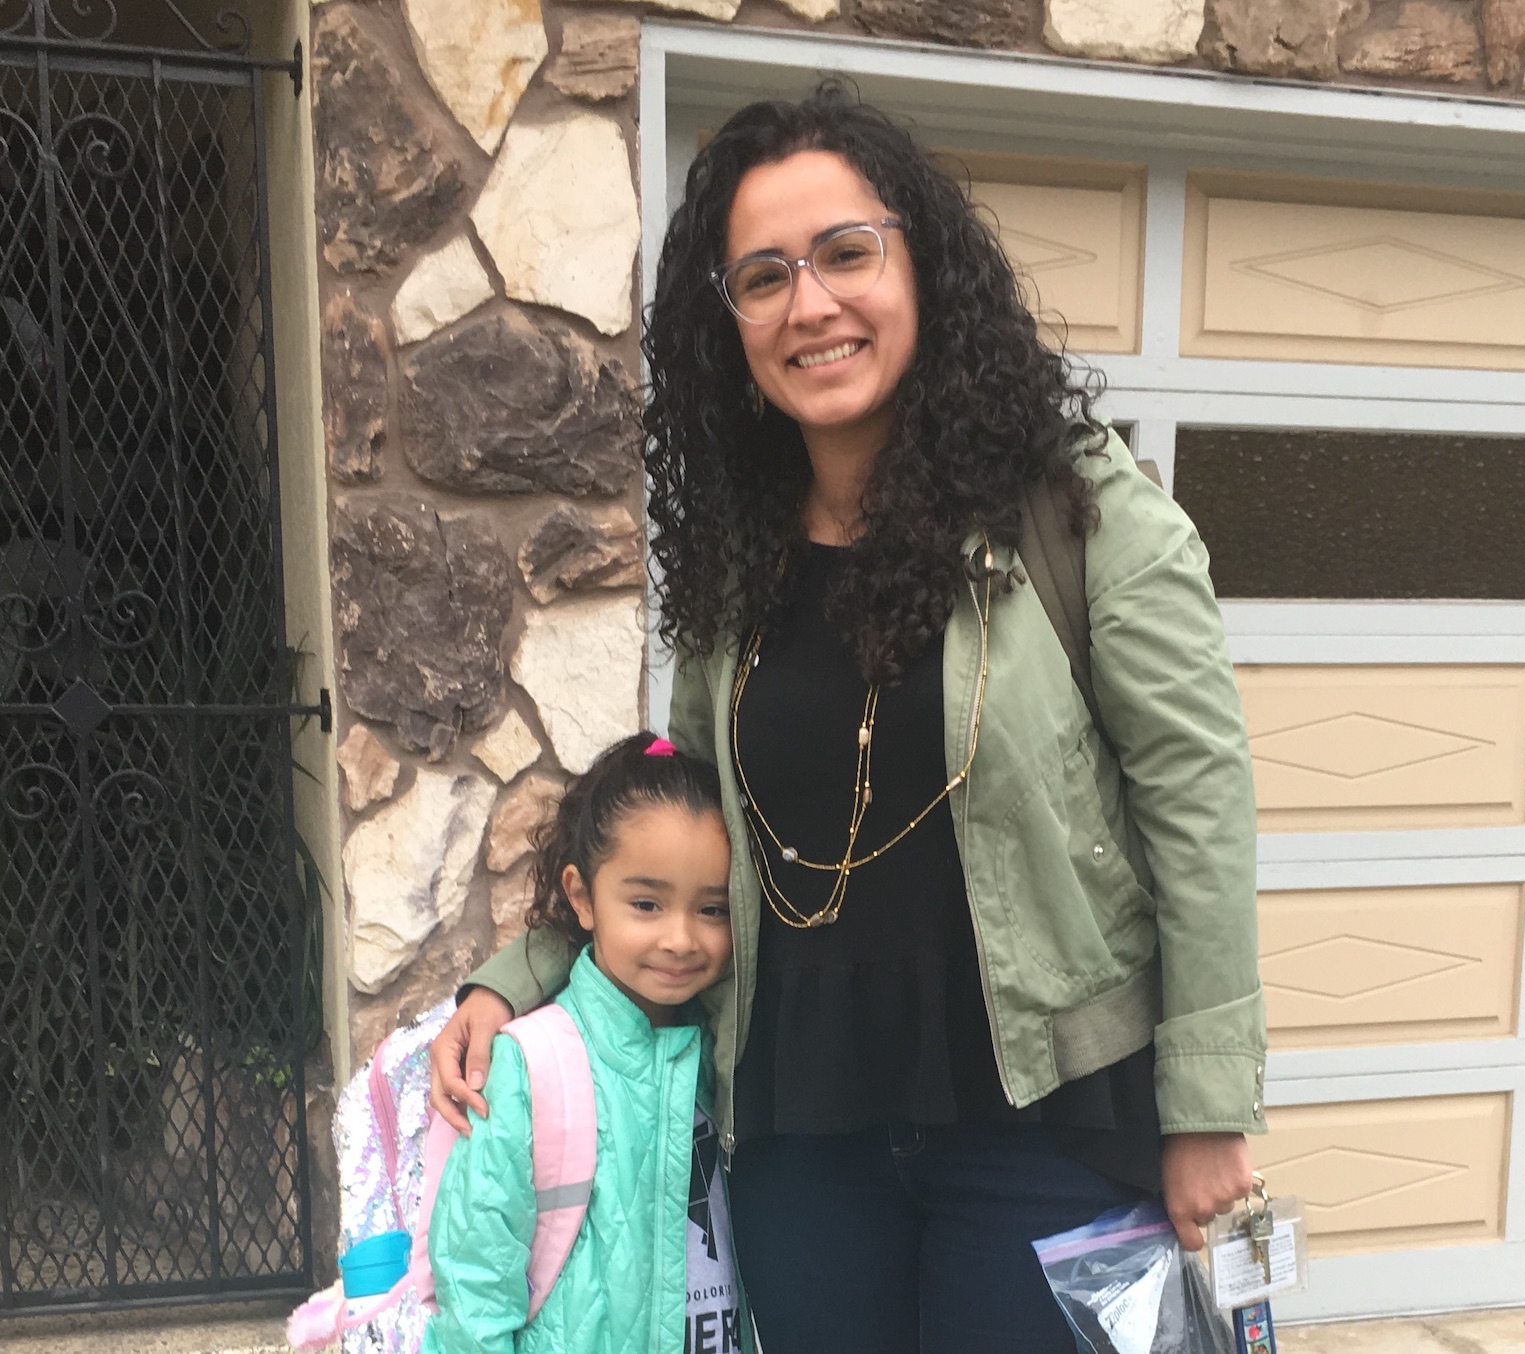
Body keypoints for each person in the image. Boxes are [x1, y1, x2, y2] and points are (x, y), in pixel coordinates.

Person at [432, 83, 1266, 1354]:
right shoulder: (735, 566)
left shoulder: (1079, 511)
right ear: (731, 332)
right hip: (802, 1137)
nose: (808, 304)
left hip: (1043, 1122)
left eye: (843, 252)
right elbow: (677, 827)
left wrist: (1205, 1105)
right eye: (760, 277)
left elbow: (1196, 810)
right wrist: (523, 973)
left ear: (919, 263)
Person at [425, 733, 751, 1354]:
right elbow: (473, 1289)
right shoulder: (526, 1067)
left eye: (712, 910)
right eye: (647, 903)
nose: (681, 939)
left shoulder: (722, 1049)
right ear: (582, 897)